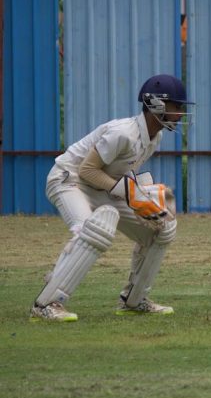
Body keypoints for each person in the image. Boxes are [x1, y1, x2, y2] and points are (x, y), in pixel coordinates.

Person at [29, 74, 193, 322]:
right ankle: (46, 304)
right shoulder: (123, 133)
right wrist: (131, 194)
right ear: (157, 104)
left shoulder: (153, 137)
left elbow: (121, 174)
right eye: (176, 106)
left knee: (161, 229)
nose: (180, 113)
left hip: (100, 187)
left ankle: (134, 301)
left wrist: (146, 202)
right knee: (94, 231)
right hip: (69, 179)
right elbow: (87, 170)